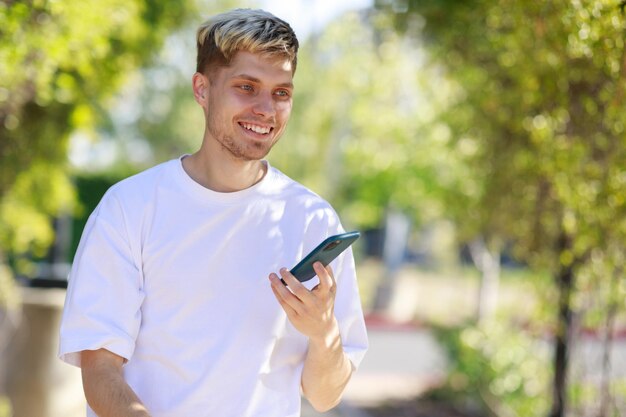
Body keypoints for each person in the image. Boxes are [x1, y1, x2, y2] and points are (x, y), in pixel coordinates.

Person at [58, 8, 368, 417]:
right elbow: (100, 370)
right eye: (246, 86)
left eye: (281, 92)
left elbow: (325, 396)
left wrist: (323, 330)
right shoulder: (130, 208)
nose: (266, 109)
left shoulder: (313, 220)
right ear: (202, 90)